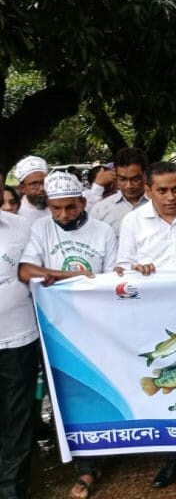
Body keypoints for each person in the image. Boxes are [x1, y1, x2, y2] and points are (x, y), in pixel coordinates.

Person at [18, 172, 117, 499]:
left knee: (99, 390)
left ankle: (107, 450)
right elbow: (26, 270)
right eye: (56, 208)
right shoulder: (40, 229)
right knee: (66, 397)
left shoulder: (103, 232)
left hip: (99, 327)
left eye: (70, 208)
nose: (63, 215)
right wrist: (69, 275)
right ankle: (85, 468)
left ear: (83, 202)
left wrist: (61, 279)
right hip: (56, 332)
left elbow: (114, 278)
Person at [115, 161, 176, 489]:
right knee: (166, 376)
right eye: (162, 190)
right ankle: (174, 452)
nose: (171, 196)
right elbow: (121, 268)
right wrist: (134, 270)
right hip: (155, 318)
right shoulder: (133, 222)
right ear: (148, 191)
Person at [0, 172, 38, 499]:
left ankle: (12, 487)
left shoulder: (19, 226)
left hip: (18, 338)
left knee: (19, 416)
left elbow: (36, 268)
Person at [90, 148, 149, 239]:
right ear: (115, 176)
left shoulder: (159, 205)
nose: (129, 186)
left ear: (145, 176)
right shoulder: (100, 210)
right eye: (123, 179)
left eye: (136, 179)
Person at [14, 156, 50, 222]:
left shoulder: (59, 206)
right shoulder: (17, 212)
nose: (42, 188)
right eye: (34, 184)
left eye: (44, 182)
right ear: (22, 188)